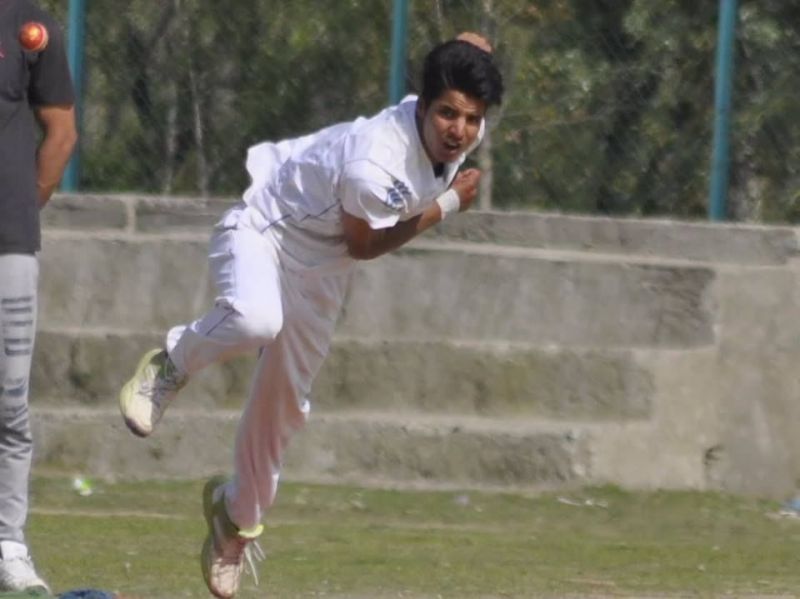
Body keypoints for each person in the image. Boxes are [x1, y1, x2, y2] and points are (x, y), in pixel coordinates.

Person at [119, 32, 503, 599]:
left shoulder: (462, 126)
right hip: (268, 229)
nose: (460, 131)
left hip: (323, 273)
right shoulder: (376, 163)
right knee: (255, 320)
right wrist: (447, 206)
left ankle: (233, 519)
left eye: (472, 119)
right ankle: (170, 364)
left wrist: (472, 49)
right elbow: (364, 246)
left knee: (284, 405)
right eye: (447, 114)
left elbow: (471, 59)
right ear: (421, 106)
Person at [0, 0, 77, 594]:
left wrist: (22, 208)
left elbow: (61, 129)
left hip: (8, 244)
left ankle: (9, 544)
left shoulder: (30, 24)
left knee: (8, 405)